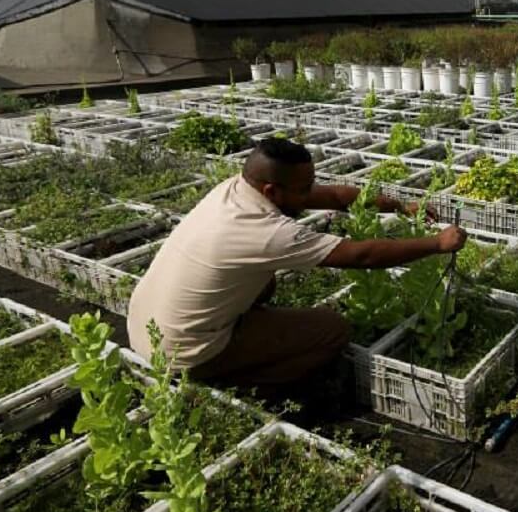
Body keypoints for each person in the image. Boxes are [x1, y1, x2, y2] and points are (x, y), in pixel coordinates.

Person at [126, 137, 466, 389]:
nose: (310, 194)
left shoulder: (235, 190)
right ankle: (244, 385)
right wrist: (437, 243)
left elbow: (335, 197)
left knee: (266, 280)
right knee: (333, 330)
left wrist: (400, 206)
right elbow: (361, 256)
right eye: (304, 189)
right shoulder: (266, 233)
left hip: (145, 325)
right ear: (273, 191)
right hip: (180, 352)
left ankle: (234, 347)